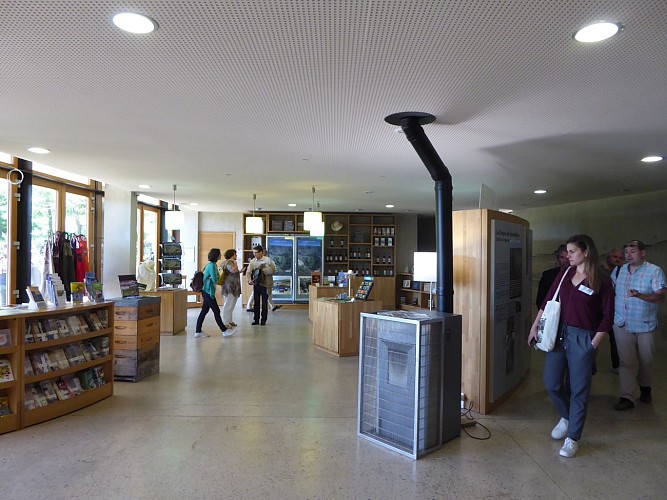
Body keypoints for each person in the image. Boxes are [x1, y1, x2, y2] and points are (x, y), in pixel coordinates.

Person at [528, 234, 614, 458]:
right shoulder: (565, 273)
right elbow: (548, 301)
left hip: (583, 337)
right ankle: (566, 417)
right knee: (552, 383)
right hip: (558, 334)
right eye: (567, 252)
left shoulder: (601, 279)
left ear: (586, 252)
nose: (568, 255)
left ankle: (573, 437)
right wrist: (534, 327)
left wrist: (594, 342)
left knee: (579, 389)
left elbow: (608, 315)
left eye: (572, 251)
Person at [611, 240, 666, 411]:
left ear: (643, 253)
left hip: (645, 324)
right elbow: (611, 291)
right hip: (622, 323)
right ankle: (627, 396)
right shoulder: (618, 270)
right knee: (626, 361)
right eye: (626, 251)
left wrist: (640, 295)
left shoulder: (654, 271)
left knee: (646, 360)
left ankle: (645, 388)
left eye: (632, 251)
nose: (628, 255)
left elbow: (660, 297)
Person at [195, 248, 237, 338]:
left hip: (206, 291)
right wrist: (220, 276)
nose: (221, 255)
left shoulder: (211, 264)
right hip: (208, 291)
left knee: (204, 311)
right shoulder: (212, 266)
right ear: (216, 256)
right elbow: (215, 280)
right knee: (216, 311)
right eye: (219, 254)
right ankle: (224, 330)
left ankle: (198, 331)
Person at [599, 248, 625, 372]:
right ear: (608, 257)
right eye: (615, 257)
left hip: (615, 311)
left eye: (620, 258)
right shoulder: (598, 271)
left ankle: (617, 365)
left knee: (616, 339)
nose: (618, 260)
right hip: (598, 310)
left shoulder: (623, 272)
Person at [246, 245, 276, 325]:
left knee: (264, 303)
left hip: (266, 284)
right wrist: (249, 280)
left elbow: (272, 271)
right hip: (256, 284)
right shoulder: (252, 261)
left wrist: (263, 268)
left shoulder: (268, 260)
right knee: (256, 302)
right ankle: (256, 319)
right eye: (253, 252)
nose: (254, 254)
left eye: (256, 252)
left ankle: (263, 320)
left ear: (261, 252)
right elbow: (248, 272)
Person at [535, 244, 569, 309]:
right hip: (551, 312)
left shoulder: (578, 276)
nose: (565, 261)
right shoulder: (548, 275)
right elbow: (540, 300)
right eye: (562, 257)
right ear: (557, 258)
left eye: (568, 258)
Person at [220, 249, 241, 328]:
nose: (236, 256)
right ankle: (225, 322)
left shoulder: (227, 262)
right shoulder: (229, 262)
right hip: (229, 287)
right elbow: (233, 270)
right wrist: (235, 263)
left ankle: (229, 320)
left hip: (232, 286)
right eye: (235, 254)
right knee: (228, 304)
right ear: (232, 255)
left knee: (231, 304)